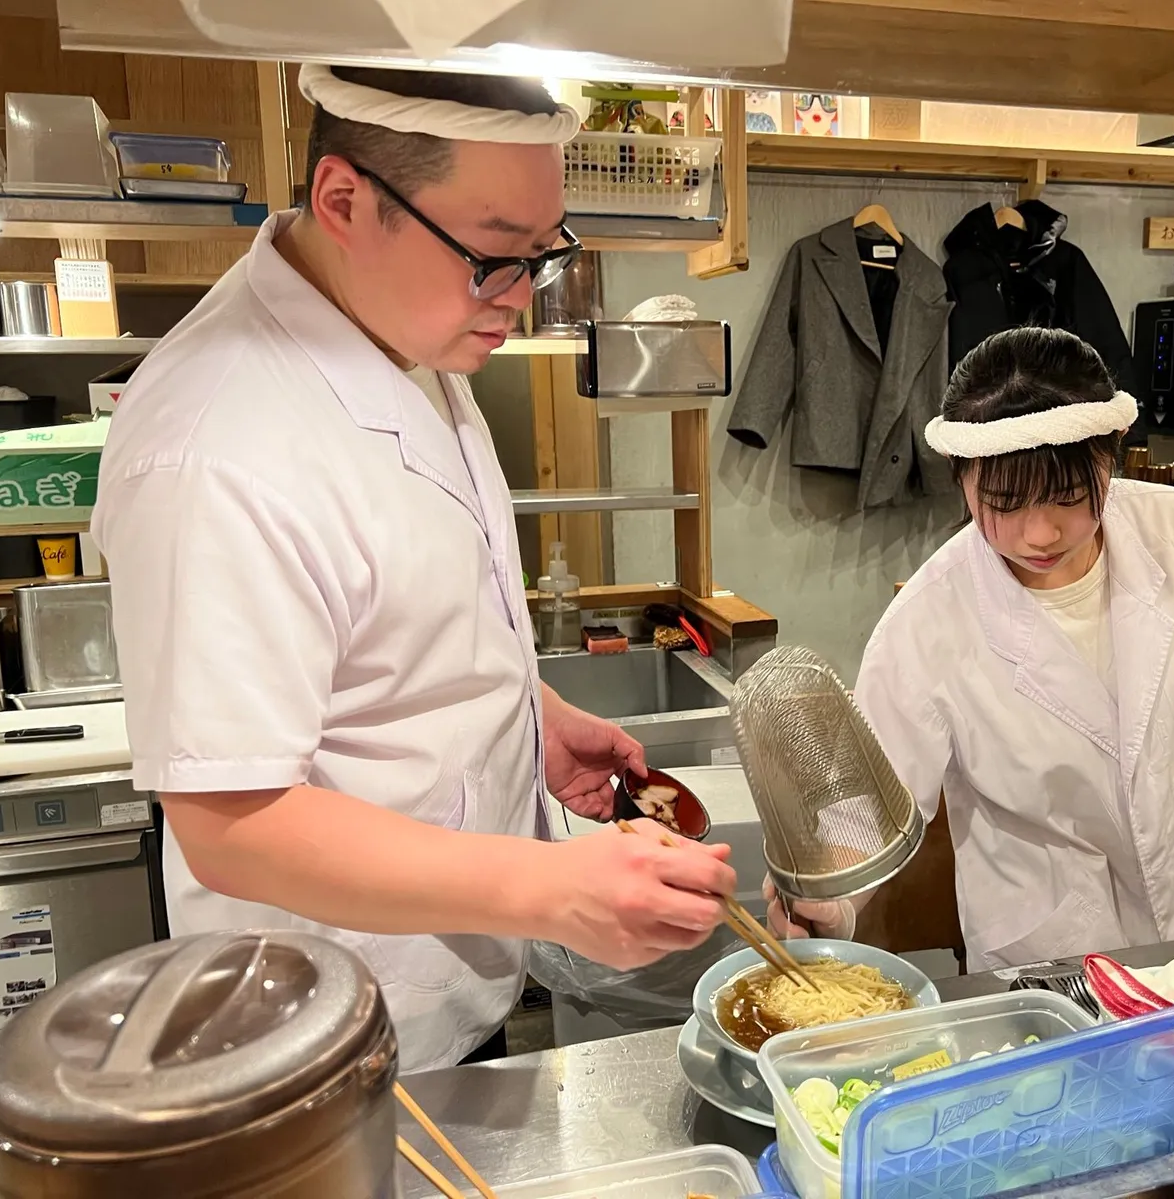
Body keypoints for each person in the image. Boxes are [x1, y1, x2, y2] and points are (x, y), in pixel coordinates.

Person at [92, 65, 735, 1073]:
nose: (519, 299)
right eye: (494, 257)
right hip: (314, 1038)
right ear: (346, 201)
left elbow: (395, 611)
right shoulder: (217, 443)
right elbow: (231, 822)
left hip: (442, 998)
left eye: (542, 255)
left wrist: (525, 712)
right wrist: (552, 891)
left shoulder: (402, 327)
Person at [769, 327, 1174, 970]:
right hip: (1057, 955)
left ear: (1109, 459)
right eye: (1002, 503)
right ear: (963, 480)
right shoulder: (928, 621)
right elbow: (872, 814)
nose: (1039, 533)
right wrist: (831, 902)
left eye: (1070, 498)